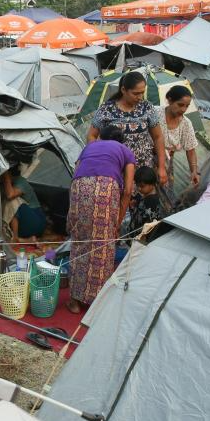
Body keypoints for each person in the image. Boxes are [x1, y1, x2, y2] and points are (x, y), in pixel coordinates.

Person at [66, 124, 135, 313]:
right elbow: (128, 190)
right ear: (121, 141)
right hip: (106, 188)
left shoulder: (89, 147)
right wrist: (117, 223)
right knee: (103, 246)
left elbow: (76, 173)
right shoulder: (126, 152)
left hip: (80, 187)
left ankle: (75, 301)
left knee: (80, 241)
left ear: (101, 138)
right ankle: (98, 302)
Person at [90, 71, 167, 188]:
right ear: (123, 90)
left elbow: (158, 137)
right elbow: (91, 135)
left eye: (142, 93)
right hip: (114, 167)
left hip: (142, 169)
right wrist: (96, 159)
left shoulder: (147, 107)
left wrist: (161, 167)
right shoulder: (106, 109)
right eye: (135, 93)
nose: (140, 97)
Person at [162, 85, 199, 190]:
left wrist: (194, 171)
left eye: (187, 106)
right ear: (170, 100)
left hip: (167, 163)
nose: (183, 109)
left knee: (165, 190)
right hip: (148, 159)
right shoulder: (155, 113)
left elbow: (191, 150)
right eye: (180, 105)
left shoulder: (186, 124)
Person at [0, 166, 47, 242]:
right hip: (24, 225)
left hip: (36, 222)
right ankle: (23, 240)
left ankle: (15, 238)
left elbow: (10, 195)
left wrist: (6, 177)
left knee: (11, 201)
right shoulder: (2, 184)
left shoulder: (20, 181)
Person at [128, 166, 167, 235]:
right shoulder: (142, 198)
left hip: (142, 236)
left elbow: (151, 223)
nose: (139, 188)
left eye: (142, 186)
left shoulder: (152, 201)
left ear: (152, 184)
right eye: (137, 185)